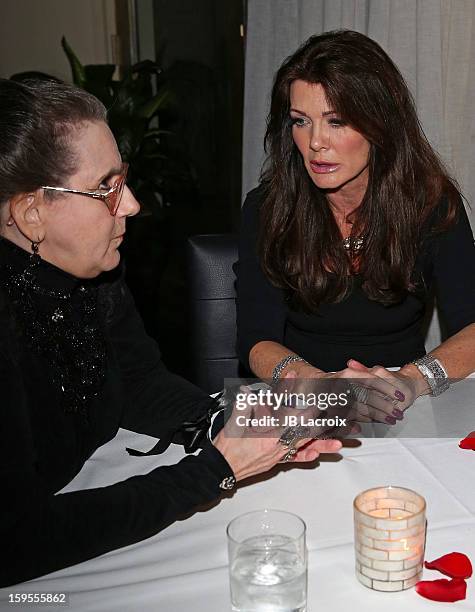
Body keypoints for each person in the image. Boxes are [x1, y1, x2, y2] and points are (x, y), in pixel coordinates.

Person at [0, 78, 342, 587]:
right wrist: (216, 469)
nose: (133, 205)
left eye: (125, 180)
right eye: (106, 189)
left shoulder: (93, 273)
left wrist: (236, 422)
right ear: (31, 214)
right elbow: (16, 542)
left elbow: (137, 384)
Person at [236, 30, 475, 424]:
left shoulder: (430, 205)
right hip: (298, 400)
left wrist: (412, 381)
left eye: (337, 121)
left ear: (379, 123)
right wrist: (316, 383)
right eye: (301, 121)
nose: (315, 142)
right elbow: (255, 339)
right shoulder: (268, 208)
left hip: (402, 409)